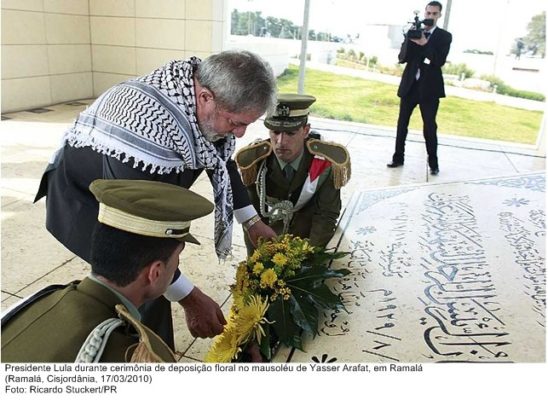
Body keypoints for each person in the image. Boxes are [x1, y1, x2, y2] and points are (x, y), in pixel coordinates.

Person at [33, 50, 277, 348]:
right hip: (83, 200)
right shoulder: (140, 127)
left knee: (158, 274)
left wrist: (251, 221)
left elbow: (221, 158)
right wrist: (189, 297)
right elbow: (138, 233)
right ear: (204, 97)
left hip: (139, 188)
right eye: (236, 122)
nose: (240, 134)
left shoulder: (208, 104)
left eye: (248, 124)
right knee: (144, 285)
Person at [2, 179, 213, 362]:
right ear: (155, 272)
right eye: (177, 258)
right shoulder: (135, 358)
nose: (176, 266)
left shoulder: (37, 301)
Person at [235, 94, 351, 255]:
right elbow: (252, 218)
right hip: (271, 239)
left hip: (308, 240)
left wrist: (309, 260)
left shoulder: (325, 162)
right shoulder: (255, 161)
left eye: (290, 133)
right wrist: (256, 259)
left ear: (305, 131)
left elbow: (325, 216)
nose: (281, 142)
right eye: (275, 132)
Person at [387, 1, 452, 175]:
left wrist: (425, 43)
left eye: (434, 14)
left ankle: (433, 164)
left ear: (439, 15)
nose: (430, 16)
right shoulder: (414, 31)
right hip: (410, 86)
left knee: (430, 126)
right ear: (424, 13)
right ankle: (397, 158)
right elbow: (402, 58)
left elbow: (438, 61)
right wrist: (410, 39)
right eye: (428, 13)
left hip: (429, 89)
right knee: (402, 124)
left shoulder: (445, 36)